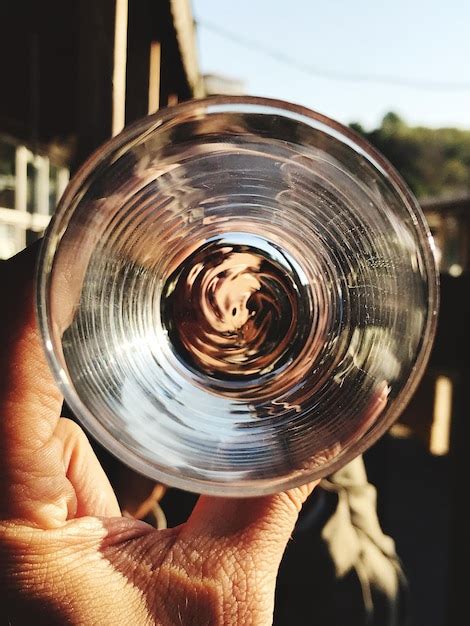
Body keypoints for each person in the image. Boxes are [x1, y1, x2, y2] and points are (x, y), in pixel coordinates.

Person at [0, 243, 408, 625]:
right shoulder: (80, 380)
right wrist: (131, 508)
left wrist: (295, 485)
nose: (224, 303)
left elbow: (376, 600)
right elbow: (75, 544)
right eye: (210, 272)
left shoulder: (313, 414)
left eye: (246, 280)